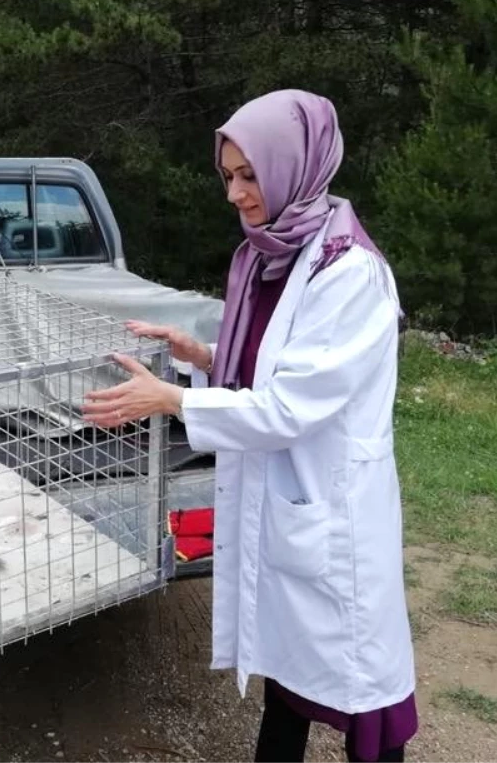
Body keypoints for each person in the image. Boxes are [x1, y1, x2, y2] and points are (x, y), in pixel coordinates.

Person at [82, 89, 417, 763]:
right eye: (228, 176)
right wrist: (203, 356)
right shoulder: (267, 257)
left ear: (296, 165)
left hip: (331, 510)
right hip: (283, 498)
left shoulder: (349, 274)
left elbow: (291, 406)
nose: (235, 194)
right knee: (286, 673)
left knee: (361, 690)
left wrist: (171, 402)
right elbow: (270, 370)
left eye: (249, 174)